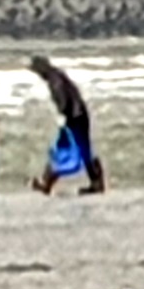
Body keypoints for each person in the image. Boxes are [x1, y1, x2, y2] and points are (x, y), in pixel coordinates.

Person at [29, 55, 105, 195]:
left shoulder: (54, 80)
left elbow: (63, 100)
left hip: (73, 117)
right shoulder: (58, 75)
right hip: (79, 115)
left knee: (62, 151)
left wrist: (62, 115)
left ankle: (47, 184)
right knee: (83, 149)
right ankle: (96, 182)